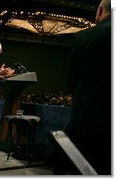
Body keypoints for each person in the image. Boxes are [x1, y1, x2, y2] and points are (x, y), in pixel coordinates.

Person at [53, 0, 111, 174]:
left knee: (69, 162)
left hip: (89, 118)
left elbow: (71, 79)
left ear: (100, 11)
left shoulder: (85, 37)